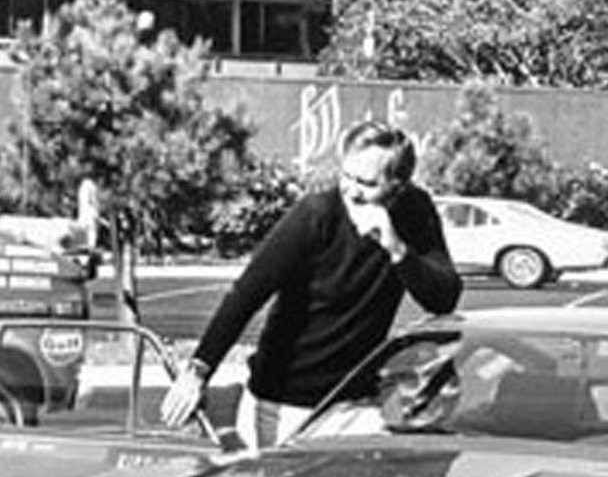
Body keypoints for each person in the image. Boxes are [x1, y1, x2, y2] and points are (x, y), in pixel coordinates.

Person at [160, 120, 462, 447]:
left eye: (367, 182)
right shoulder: (314, 215)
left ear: (397, 185)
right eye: (346, 175)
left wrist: (397, 249)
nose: (352, 190)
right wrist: (198, 373)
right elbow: (245, 296)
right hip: (283, 402)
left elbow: (444, 298)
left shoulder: (415, 212)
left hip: (355, 405)